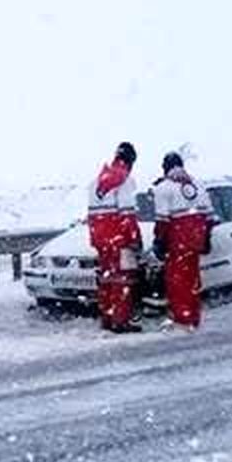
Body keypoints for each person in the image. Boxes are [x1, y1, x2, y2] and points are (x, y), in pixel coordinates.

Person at [151, 152, 215, 328]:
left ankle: (182, 317)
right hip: (196, 239)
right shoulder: (198, 185)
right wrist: (206, 238)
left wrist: (159, 241)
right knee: (193, 278)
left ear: (165, 167)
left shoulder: (164, 188)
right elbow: (210, 216)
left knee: (177, 280)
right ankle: (194, 315)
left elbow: (162, 220)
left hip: (177, 240)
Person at [88, 142, 143, 333]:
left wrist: (96, 238)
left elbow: (93, 215)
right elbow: (127, 215)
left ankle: (107, 318)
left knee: (106, 279)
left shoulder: (96, 181)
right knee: (122, 279)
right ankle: (121, 321)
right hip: (119, 239)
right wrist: (134, 239)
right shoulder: (125, 181)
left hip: (101, 239)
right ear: (131, 161)